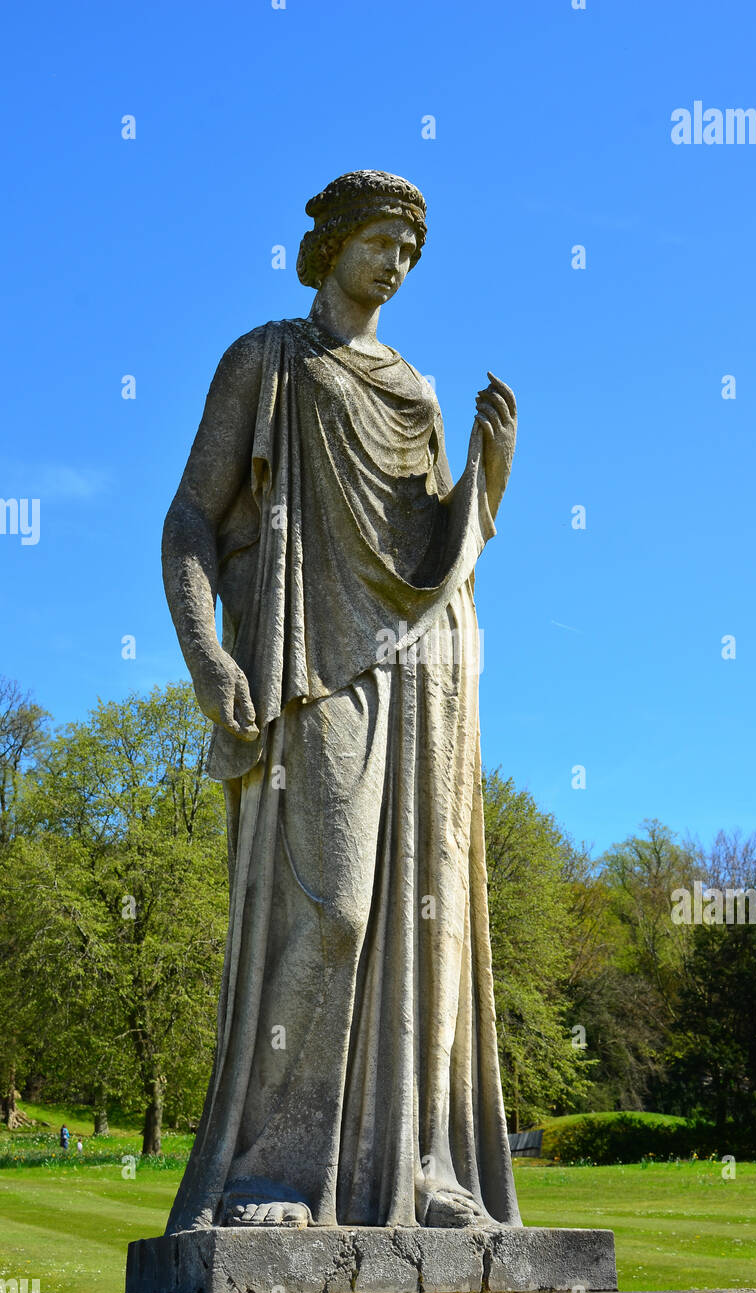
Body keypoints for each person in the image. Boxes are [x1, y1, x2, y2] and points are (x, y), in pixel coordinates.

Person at [162, 170, 520, 1234]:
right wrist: (205, 656)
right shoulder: (267, 360)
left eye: (411, 248)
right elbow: (189, 516)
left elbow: (441, 557)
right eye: (380, 239)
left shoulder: (419, 388)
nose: (396, 261)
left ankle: (424, 1170)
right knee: (341, 911)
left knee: (434, 922)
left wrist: (489, 481)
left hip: (426, 669)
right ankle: (276, 1164)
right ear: (329, 245)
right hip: (313, 665)